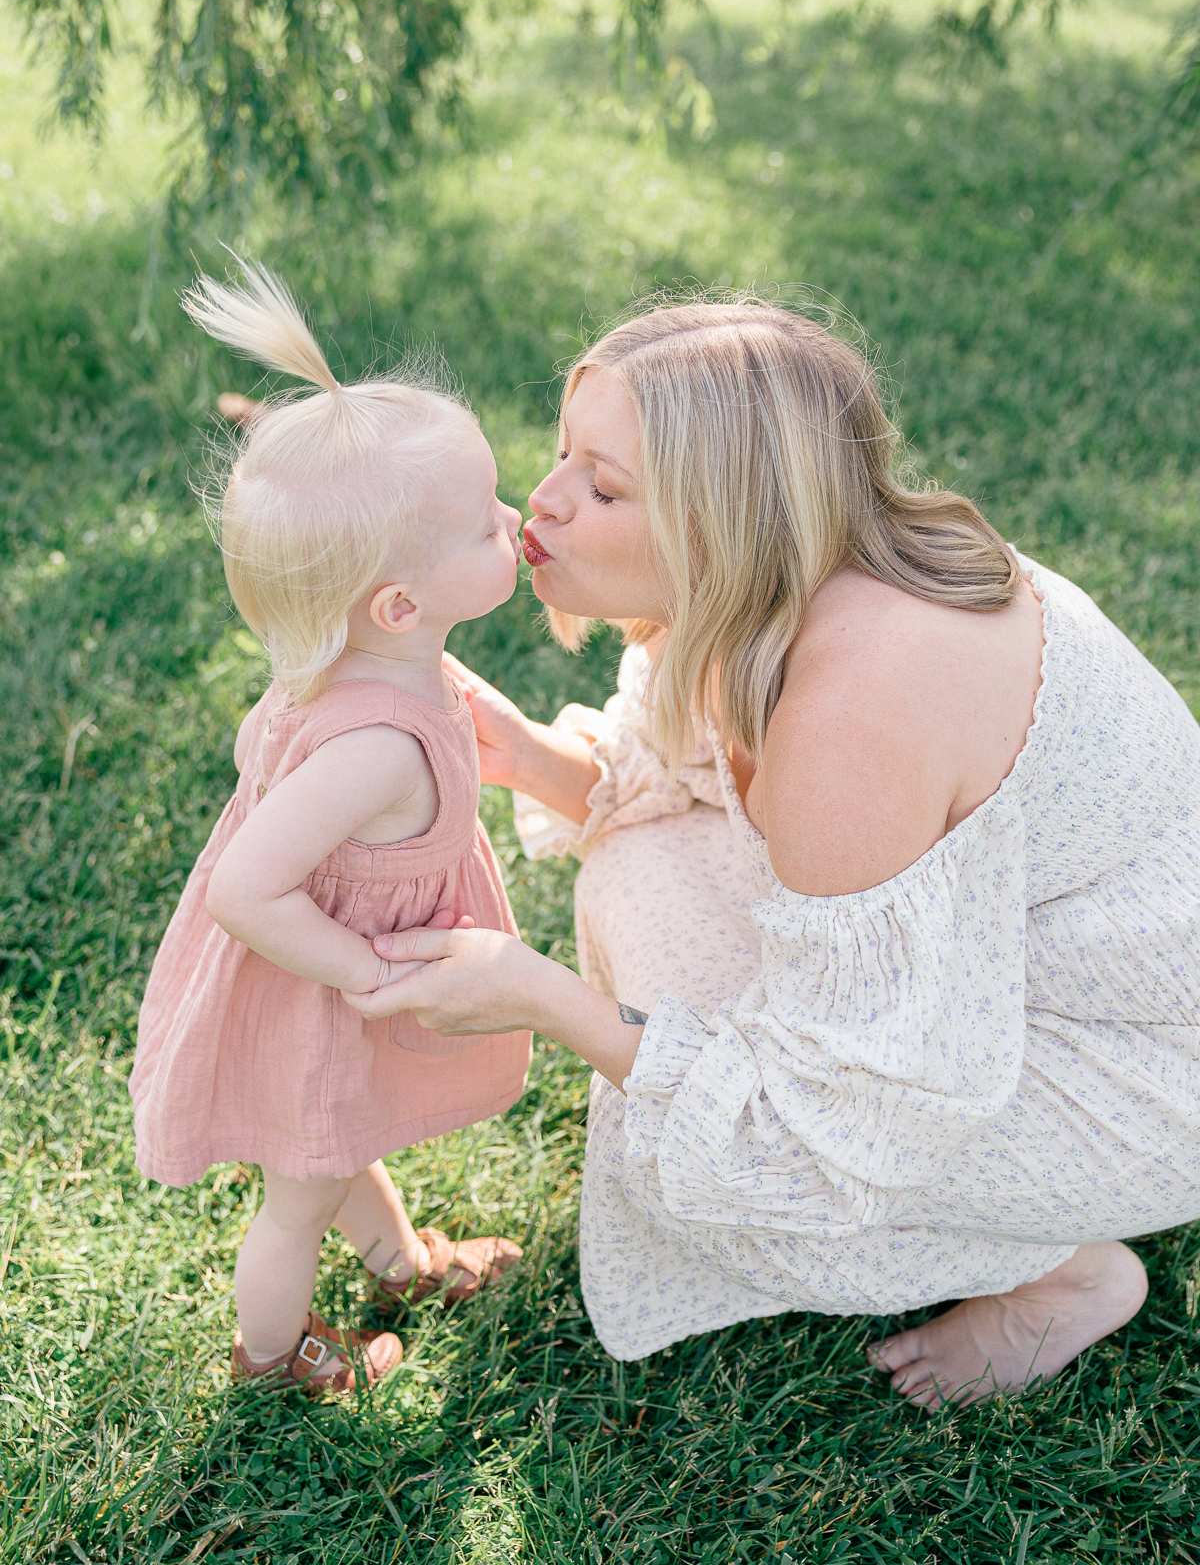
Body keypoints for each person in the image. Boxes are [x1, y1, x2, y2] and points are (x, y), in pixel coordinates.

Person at [351, 294, 1200, 1410]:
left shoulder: (855, 708)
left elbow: (819, 1135)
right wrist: (534, 759)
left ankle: (1066, 1271)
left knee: (709, 1182)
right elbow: (701, 780)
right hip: (1008, 973)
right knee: (636, 867)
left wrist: (538, 997)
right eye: (563, 455)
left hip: (1140, 1067)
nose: (543, 501)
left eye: (605, 488)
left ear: (722, 520)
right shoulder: (783, 588)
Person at [130, 261, 530, 1395]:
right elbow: (243, 889)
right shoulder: (374, 746)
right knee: (297, 1194)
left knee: (337, 1142)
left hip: (326, 982)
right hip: (316, 988)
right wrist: (362, 969)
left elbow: (256, 760)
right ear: (400, 604)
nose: (515, 519)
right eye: (487, 522)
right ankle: (272, 1357)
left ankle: (401, 1263)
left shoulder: (368, 669)